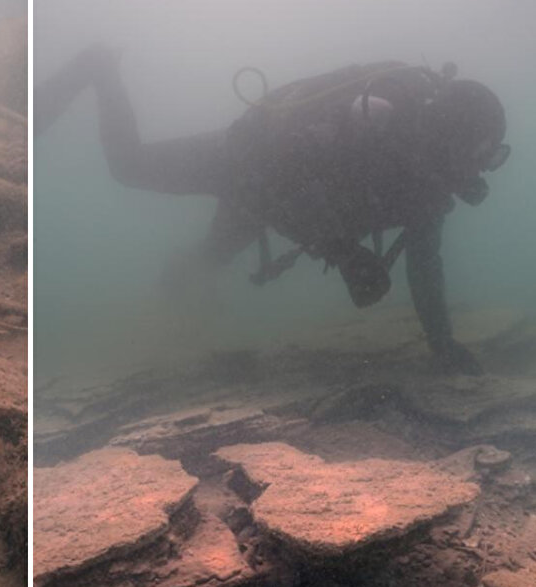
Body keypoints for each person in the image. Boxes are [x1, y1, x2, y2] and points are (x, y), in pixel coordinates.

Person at [36, 46, 511, 375]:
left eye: (488, 159)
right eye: (478, 157)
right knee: (130, 167)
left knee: (207, 260)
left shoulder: (428, 179)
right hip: (240, 163)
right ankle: (98, 66)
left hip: (276, 203)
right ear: (449, 138)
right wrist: (344, 254)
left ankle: (174, 312)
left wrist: (442, 344)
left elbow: (425, 264)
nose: (477, 174)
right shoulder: (376, 126)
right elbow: (270, 172)